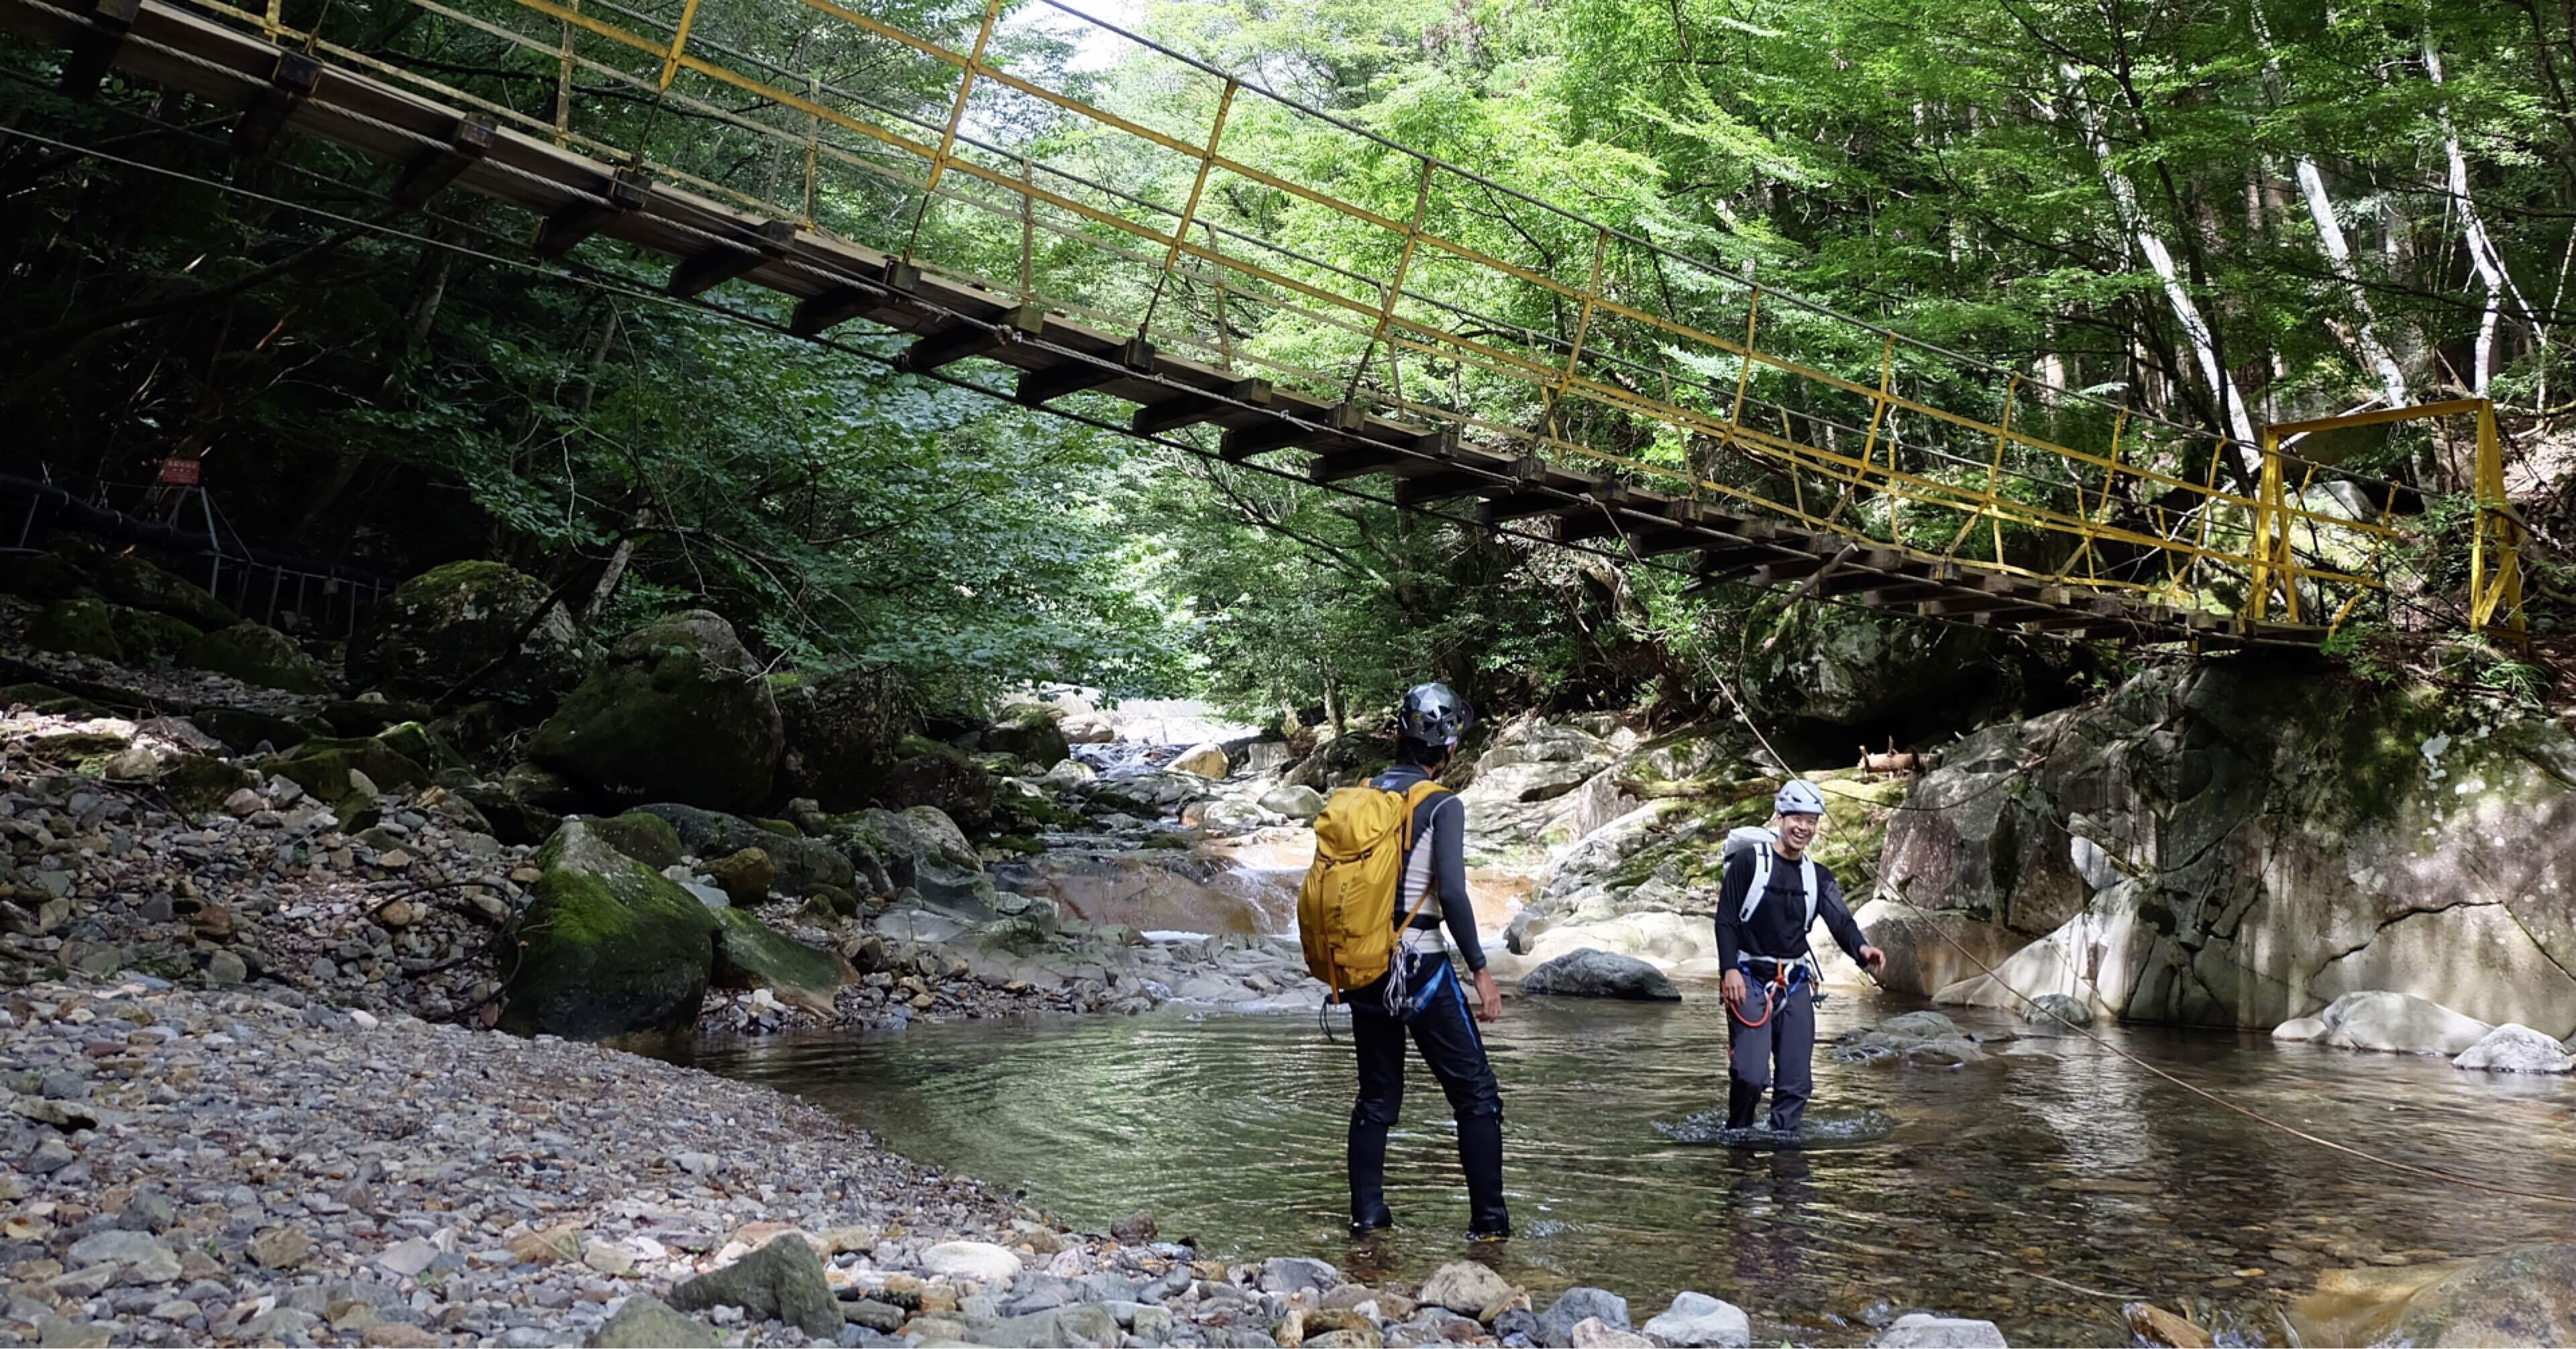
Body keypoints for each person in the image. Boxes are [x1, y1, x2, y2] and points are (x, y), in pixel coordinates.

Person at [1344, 681, 1509, 1242]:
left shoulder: (1365, 793)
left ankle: (1368, 1220)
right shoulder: (1442, 804)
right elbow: (1454, 894)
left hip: (1365, 962)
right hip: (1419, 965)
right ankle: (1490, 1227)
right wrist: (1481, 970)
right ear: (1449, 747)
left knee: (1376, 1097)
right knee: (1477, 1095)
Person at [1715, 778, 1886, 1134]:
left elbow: (1840, 920)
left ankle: (1785, 1148)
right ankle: (1739, 1138)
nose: (1803, 827)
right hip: (1748, 978)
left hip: (1793, 983)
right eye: (1797, 818)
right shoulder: (1749, 863)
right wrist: (1729, 969)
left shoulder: (1817, 876)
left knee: (1796, 1084)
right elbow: (1726, 920)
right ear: (1780, 817)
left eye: (1811, 820)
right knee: (1750, 1075)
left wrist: (1862, 949)